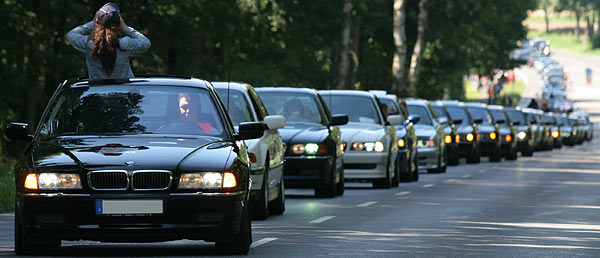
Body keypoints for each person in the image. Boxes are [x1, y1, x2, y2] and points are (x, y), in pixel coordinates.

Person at [66, 2, 151, 79]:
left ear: (97, 20)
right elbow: (145, 43)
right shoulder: (124, 44)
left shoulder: (90, 44)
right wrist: (125, 28)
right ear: (118, 22)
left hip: (97, 92)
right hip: (124, 92)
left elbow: (71, 35)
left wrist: (93, 23)